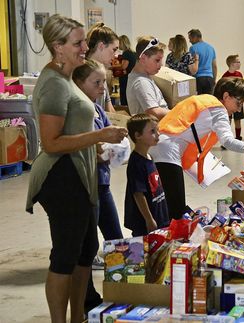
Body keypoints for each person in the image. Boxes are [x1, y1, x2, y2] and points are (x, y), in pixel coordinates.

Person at [25, 14, 128, 323]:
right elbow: (52, 142)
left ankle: (77, 317)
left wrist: (95, 149)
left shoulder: (68, 76)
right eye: (79, 42)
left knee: (86, 251)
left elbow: (72, 129)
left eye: (84, 41)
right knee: (66, 255)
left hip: (80, 171)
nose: (86, 46)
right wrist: (100, 136)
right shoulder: (54, 84)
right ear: (58, 47)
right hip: (61, 177)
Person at [150, 77, 244, 220]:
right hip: (168, 153)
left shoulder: (204, 100)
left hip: (156, 146)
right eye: (238, 103)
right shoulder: (219, 110)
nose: (238, 109)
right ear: (226, 96)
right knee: (177, 209)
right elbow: (229, 142)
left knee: (166, 201)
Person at [72, 59, 125, 313]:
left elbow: (107, 138)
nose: (102, 87)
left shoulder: (96, 108)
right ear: (79, 84)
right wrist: (102, 148)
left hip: (102, 184)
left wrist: (111, 147)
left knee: (116, 239)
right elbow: (90, 145)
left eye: (104, 82)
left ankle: (123, 288)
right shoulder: (78, 111)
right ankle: (87, 299)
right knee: (87, 247)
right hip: (87, 186)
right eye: (97, 82)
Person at [125, 114, 169, 237]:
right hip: (144, 221)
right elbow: (138, 194)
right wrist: (149, 219)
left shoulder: (149, 157)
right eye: (152, 131)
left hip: (158, 213)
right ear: (138, 136)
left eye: (158, 130)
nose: (158, 134)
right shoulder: (136, 163)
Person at [126, 36, 169, 120]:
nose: (161, 64)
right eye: (157, 60)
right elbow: (154, 112)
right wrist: (179, 111)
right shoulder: (141, 82)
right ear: (143, 58)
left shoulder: (144, 77)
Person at [86, 22, 120, 112]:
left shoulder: (100, 73)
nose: (116, 55)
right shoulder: (85, 74)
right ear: (101, 46)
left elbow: (110, 110)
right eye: (114, 50)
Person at [188, 29, 217, 94]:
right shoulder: (211, 48)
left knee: (199, 102)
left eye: (190, 39)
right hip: (210, 78)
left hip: (198, 78)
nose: (190, 41)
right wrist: (214, 80)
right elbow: (214, 66)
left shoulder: (193, 48)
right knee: (208, 102)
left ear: (195, 37)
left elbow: (191, 65)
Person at [222, 55, 244, 140]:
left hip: (239, 100)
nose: (239, 63)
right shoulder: (225, 76)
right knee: (228, 119)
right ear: (232, 64)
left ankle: (238, 137)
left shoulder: (239, 74)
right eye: (238, 62)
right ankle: (227, 138)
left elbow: (243, 88)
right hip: (229, 102)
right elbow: (222, 89)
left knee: (238, 119)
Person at [117, 35, 137, 106]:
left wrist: (111, 67)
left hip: (125, 78)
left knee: (124, 97)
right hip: (132, 77)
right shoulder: (133, 52)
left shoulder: (126, 53)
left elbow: (123, 66)